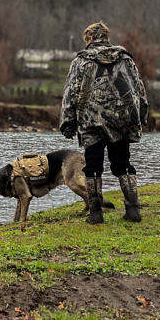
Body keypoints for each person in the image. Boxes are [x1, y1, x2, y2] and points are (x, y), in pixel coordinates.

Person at [59, 22, 149, 224]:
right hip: (121, 121)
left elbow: (70, 94)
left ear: (89, 38)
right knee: (123, 164)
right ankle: (133, 210)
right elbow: (139, 90)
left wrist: (67, 122)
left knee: (92, 167)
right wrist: (142, 116)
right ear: (106, 37)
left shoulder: (81, 61)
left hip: (91, 122)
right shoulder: (125, 59)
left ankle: (95, 213)